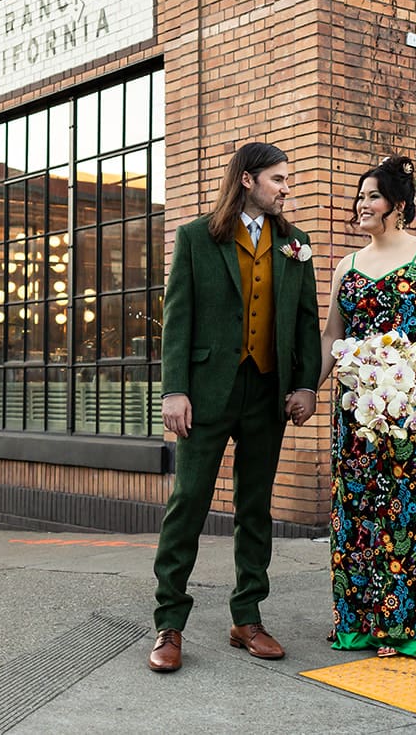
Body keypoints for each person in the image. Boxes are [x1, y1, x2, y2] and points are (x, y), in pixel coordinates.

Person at [147, 142, 322, 673]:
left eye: (287, 180)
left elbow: (306, 322)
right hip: (204, 394)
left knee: (255, 508)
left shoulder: (296, 244)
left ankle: (247, 616)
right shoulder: (197, 238)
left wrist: (307, 385)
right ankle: (169, 624)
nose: (286, 188)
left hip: (267, 395)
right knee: (189, 504)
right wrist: (174, 389)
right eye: (278, 179)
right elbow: (178, 319)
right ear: (247, 180)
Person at [319, 155, 416, 658]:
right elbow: (332, 337)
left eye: (372, 196)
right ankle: (359, 621)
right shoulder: (347, 265)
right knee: (358, 505)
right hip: (358, 404)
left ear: (397, 206)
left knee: (411, 506)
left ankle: (407, 624)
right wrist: (307, 387)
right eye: (359, 196)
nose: (361, 204)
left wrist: (401, 358)